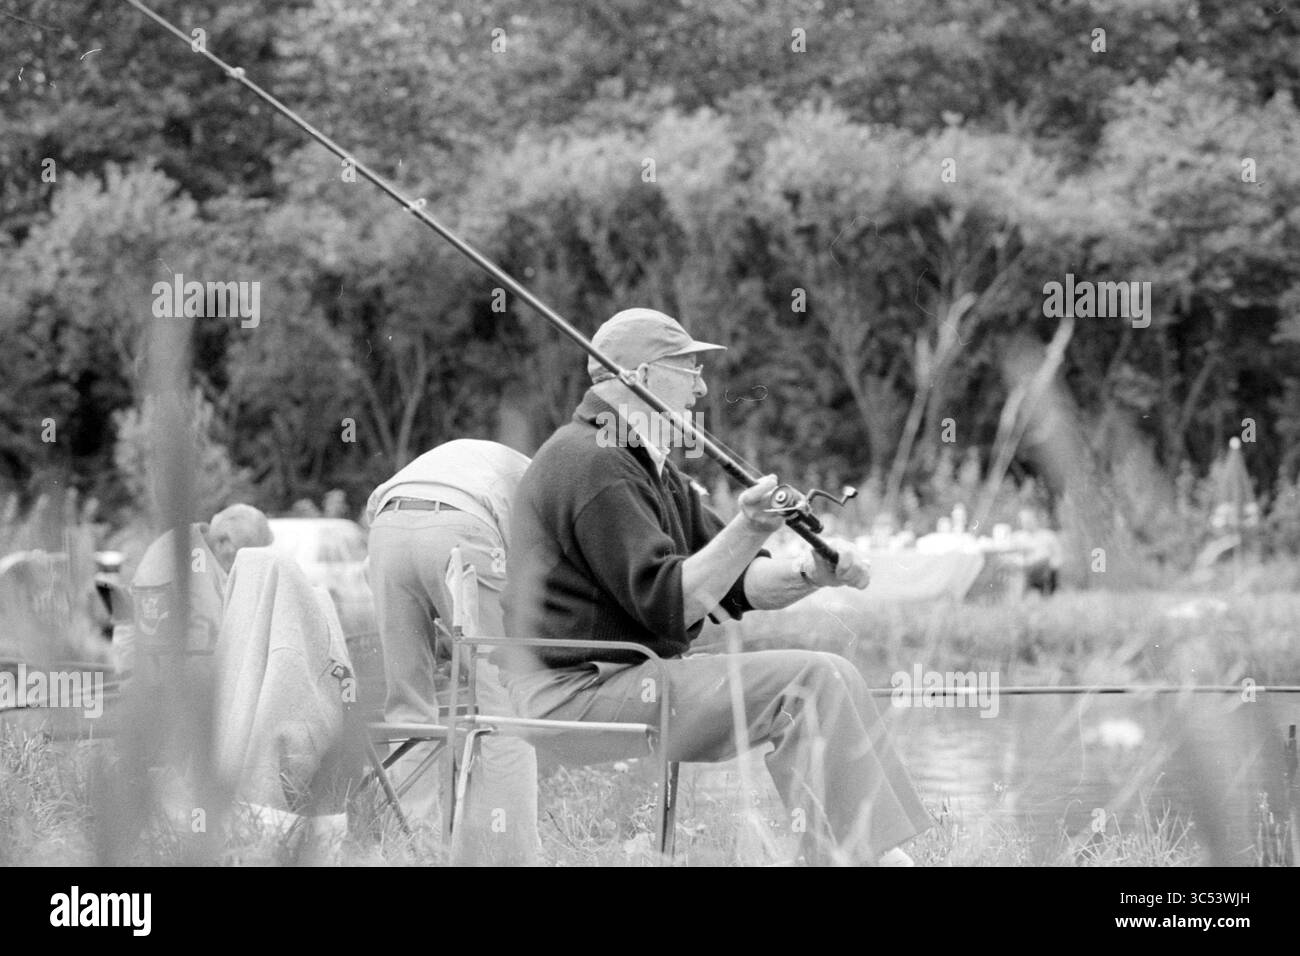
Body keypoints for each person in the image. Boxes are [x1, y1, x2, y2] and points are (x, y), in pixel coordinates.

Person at [501, 307, 933, 866]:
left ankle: (866, 856)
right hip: (575, 694)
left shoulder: (646, 464)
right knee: (812, 681)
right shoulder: (592, 462)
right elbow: (673, 605)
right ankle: (866, 860)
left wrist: (810, 572)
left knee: (831, 675)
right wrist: (749, 526)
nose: (703, 385)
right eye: (690, 368)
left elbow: (735, 586)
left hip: (629, 677)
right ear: (643, 377)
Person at [365, 440, 540, 865]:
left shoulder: (485, 462)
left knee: (409, 706)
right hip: (463, 529)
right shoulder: (548, 484)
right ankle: (501, 854)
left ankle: (414, 850)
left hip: (386, 530)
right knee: (504, 711)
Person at [1013, 507, 1064, 595]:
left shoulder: (1048, 536)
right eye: (1024, 521)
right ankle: (1017, 596)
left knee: (1043, 560)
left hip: (1044, 570)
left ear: (1036, 520)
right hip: (1023, 568)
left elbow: (1058, 556)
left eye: (1029, 521)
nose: (1026, 524)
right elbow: (1011, 557)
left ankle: (1045, 591)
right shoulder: (1017, 537)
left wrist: (1053, 567)